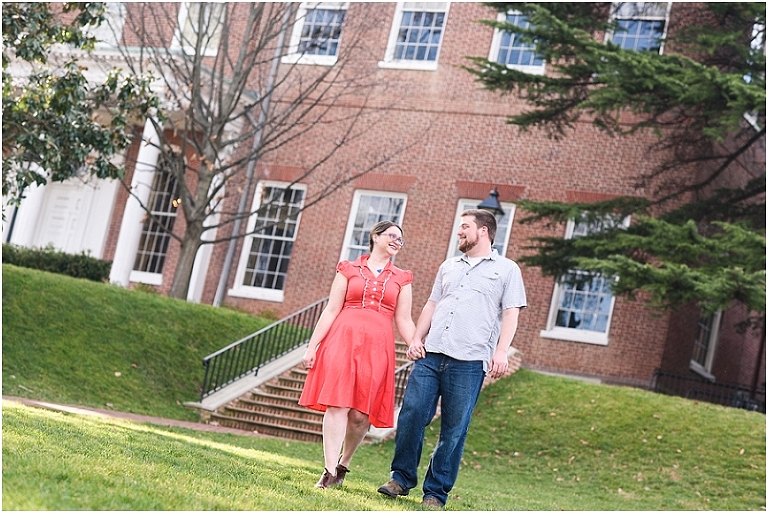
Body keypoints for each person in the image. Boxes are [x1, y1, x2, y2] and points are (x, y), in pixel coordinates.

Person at [377, 209, 527, 509]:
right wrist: (417, 338)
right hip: (431, 355)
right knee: (411, 415)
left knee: (454, 429)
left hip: (469, 362)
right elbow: (433, 304)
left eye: (465, 227)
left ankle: (435, 492)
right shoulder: (448, 266)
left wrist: (500, 350)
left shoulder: (507, 269)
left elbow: (511, 312)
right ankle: (401, 478)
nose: (460, 232)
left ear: (483, 231)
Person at [299, 220, 416, 489]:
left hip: (378, 347)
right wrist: (312, 346)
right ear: (375, 236)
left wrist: (414, 343)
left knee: (361, 415)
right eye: (392, 236)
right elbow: (330, 310)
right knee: (337, 404)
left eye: (401, 239)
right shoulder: (348, 269)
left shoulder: (402, 278)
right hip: (342, 341)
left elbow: (405, 319)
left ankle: (343, 464)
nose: (397, 241)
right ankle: (328, 472)